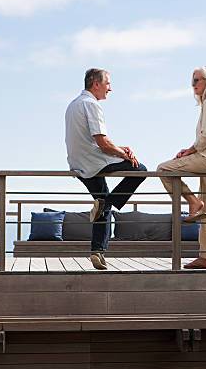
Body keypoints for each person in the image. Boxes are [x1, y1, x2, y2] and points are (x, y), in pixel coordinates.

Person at [65, 68, 147, 270]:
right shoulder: (91, 105)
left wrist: (119, 148)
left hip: (78, 163)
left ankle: (97, 251)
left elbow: (92, 140)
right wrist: (124, 154)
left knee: (102, 200)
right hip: (94, 163)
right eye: (108, 83)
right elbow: (101, 143)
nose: (110, 88)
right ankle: (104, 205)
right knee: (140, 170)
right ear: (96, 84)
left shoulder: (73, 104)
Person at [157, 66, 206, 269]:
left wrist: (191, 150)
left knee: (163, 169)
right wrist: (191, 149)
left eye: (199, 80)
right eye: (193, 81)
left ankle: (192, 202)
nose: (195, 84)